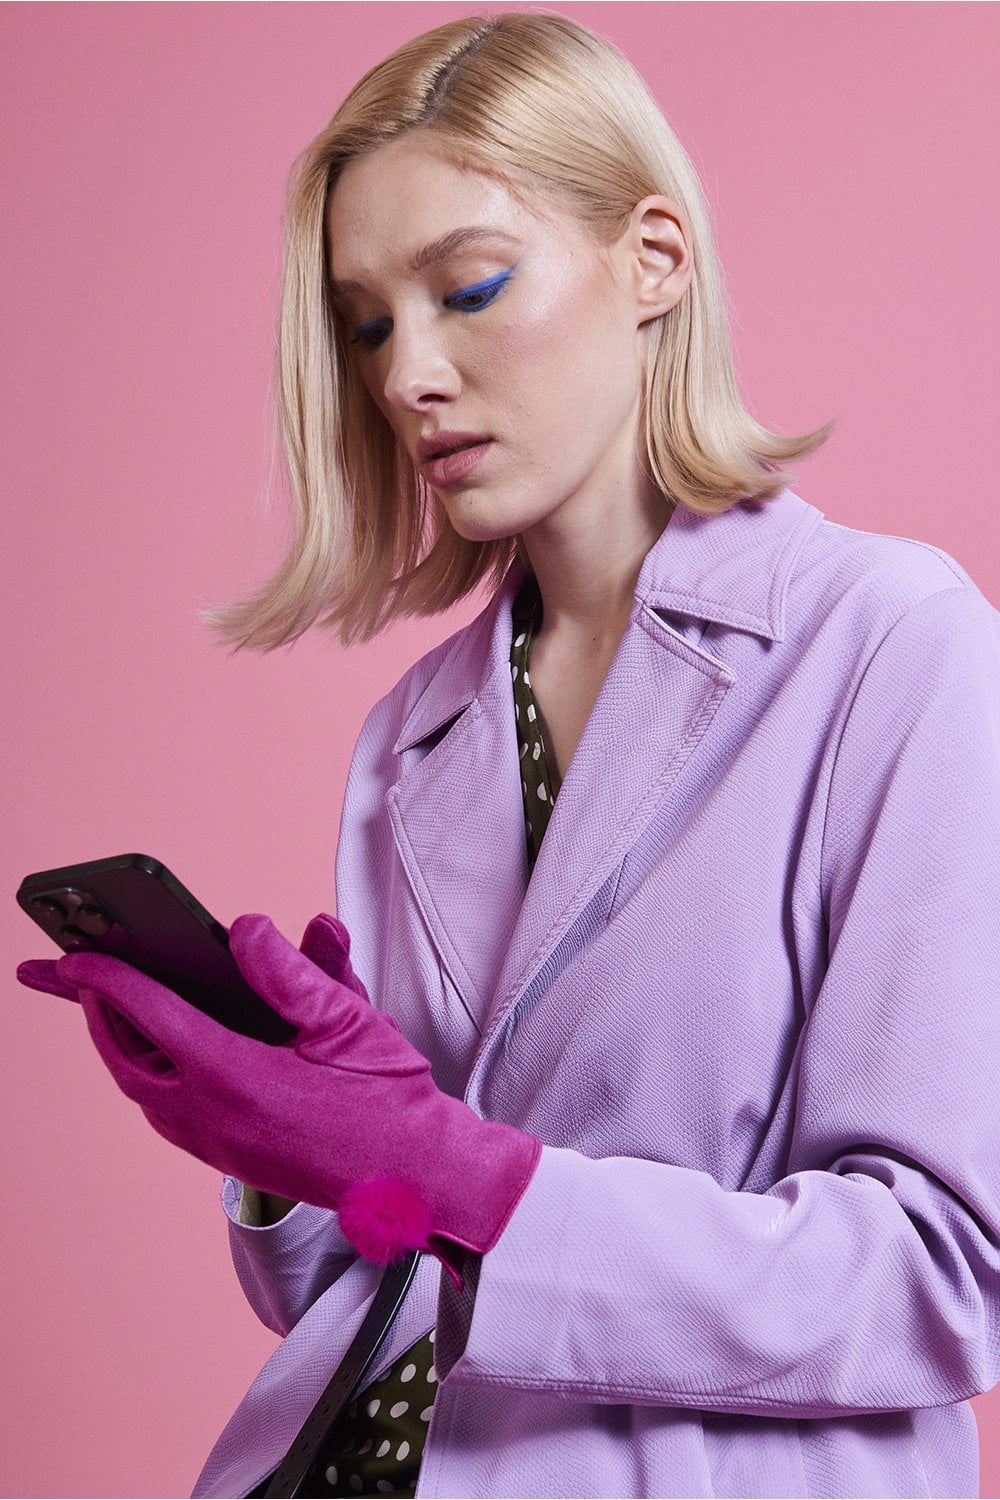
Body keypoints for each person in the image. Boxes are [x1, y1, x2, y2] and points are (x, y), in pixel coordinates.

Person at [17, 12, 1000, 1499]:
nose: (409, 372)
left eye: (468, 288)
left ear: (654, 259)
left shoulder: (890, 644)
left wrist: (450, 1168)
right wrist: (291, 1146)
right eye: (366, 325)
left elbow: (939, 1279)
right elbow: (374, 1298)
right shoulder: (415, 733)